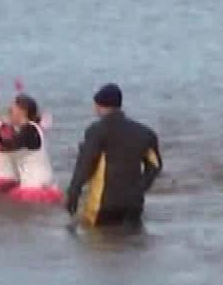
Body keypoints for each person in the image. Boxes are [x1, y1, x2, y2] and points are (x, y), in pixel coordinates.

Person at [65, 84, 162, 227]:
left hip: (103, 204)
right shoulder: (145, 133)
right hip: (133, 203)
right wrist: (140, 188)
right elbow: (155, 166)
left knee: (97, 239)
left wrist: (73, 193)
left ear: (98, 105)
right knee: (130, 238)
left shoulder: (96, 131)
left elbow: (85, 165)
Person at [0, 94, 63, 203]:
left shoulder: (29, 129)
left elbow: (11, 146)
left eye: (12, 111)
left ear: (22, 111)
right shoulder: (33, 128)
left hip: (35, 185)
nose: (9, 113)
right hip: (43, 182)